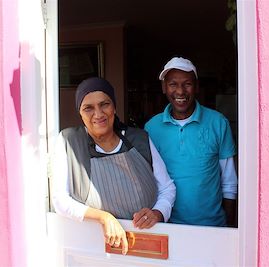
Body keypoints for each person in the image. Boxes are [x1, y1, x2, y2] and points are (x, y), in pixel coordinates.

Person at [52, 77, 176, 255]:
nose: (98, 114)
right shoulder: (69, 142)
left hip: (149, 244)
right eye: (88, 108)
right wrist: (103, 217)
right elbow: (60, 200)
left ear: (114, 107)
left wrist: (157, 213)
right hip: (94, 249)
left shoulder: (139, 139)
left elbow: (167, 188)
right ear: (80, 112)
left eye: (105, 104)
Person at [144, 57, 237, 227]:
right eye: (173, 84)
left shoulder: (218, 122)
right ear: (164, 87)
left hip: (212, 226)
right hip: (168, 225)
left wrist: (229, 228)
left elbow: (229, 182)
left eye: (187, 84)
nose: (180, 91)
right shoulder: (151, 128)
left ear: (197, 87)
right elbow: (148, 180)